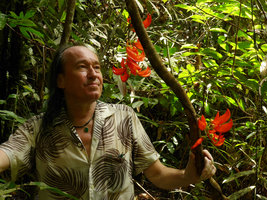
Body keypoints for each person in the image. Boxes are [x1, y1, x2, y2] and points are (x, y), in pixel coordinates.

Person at [0, 44, 216, 199]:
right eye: (82, 67)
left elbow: (158, 175)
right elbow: (7, 154)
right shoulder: (38, 128)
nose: (93, 74)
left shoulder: (124, 118)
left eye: (97, 67)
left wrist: (189, 175)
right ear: (61, 80)